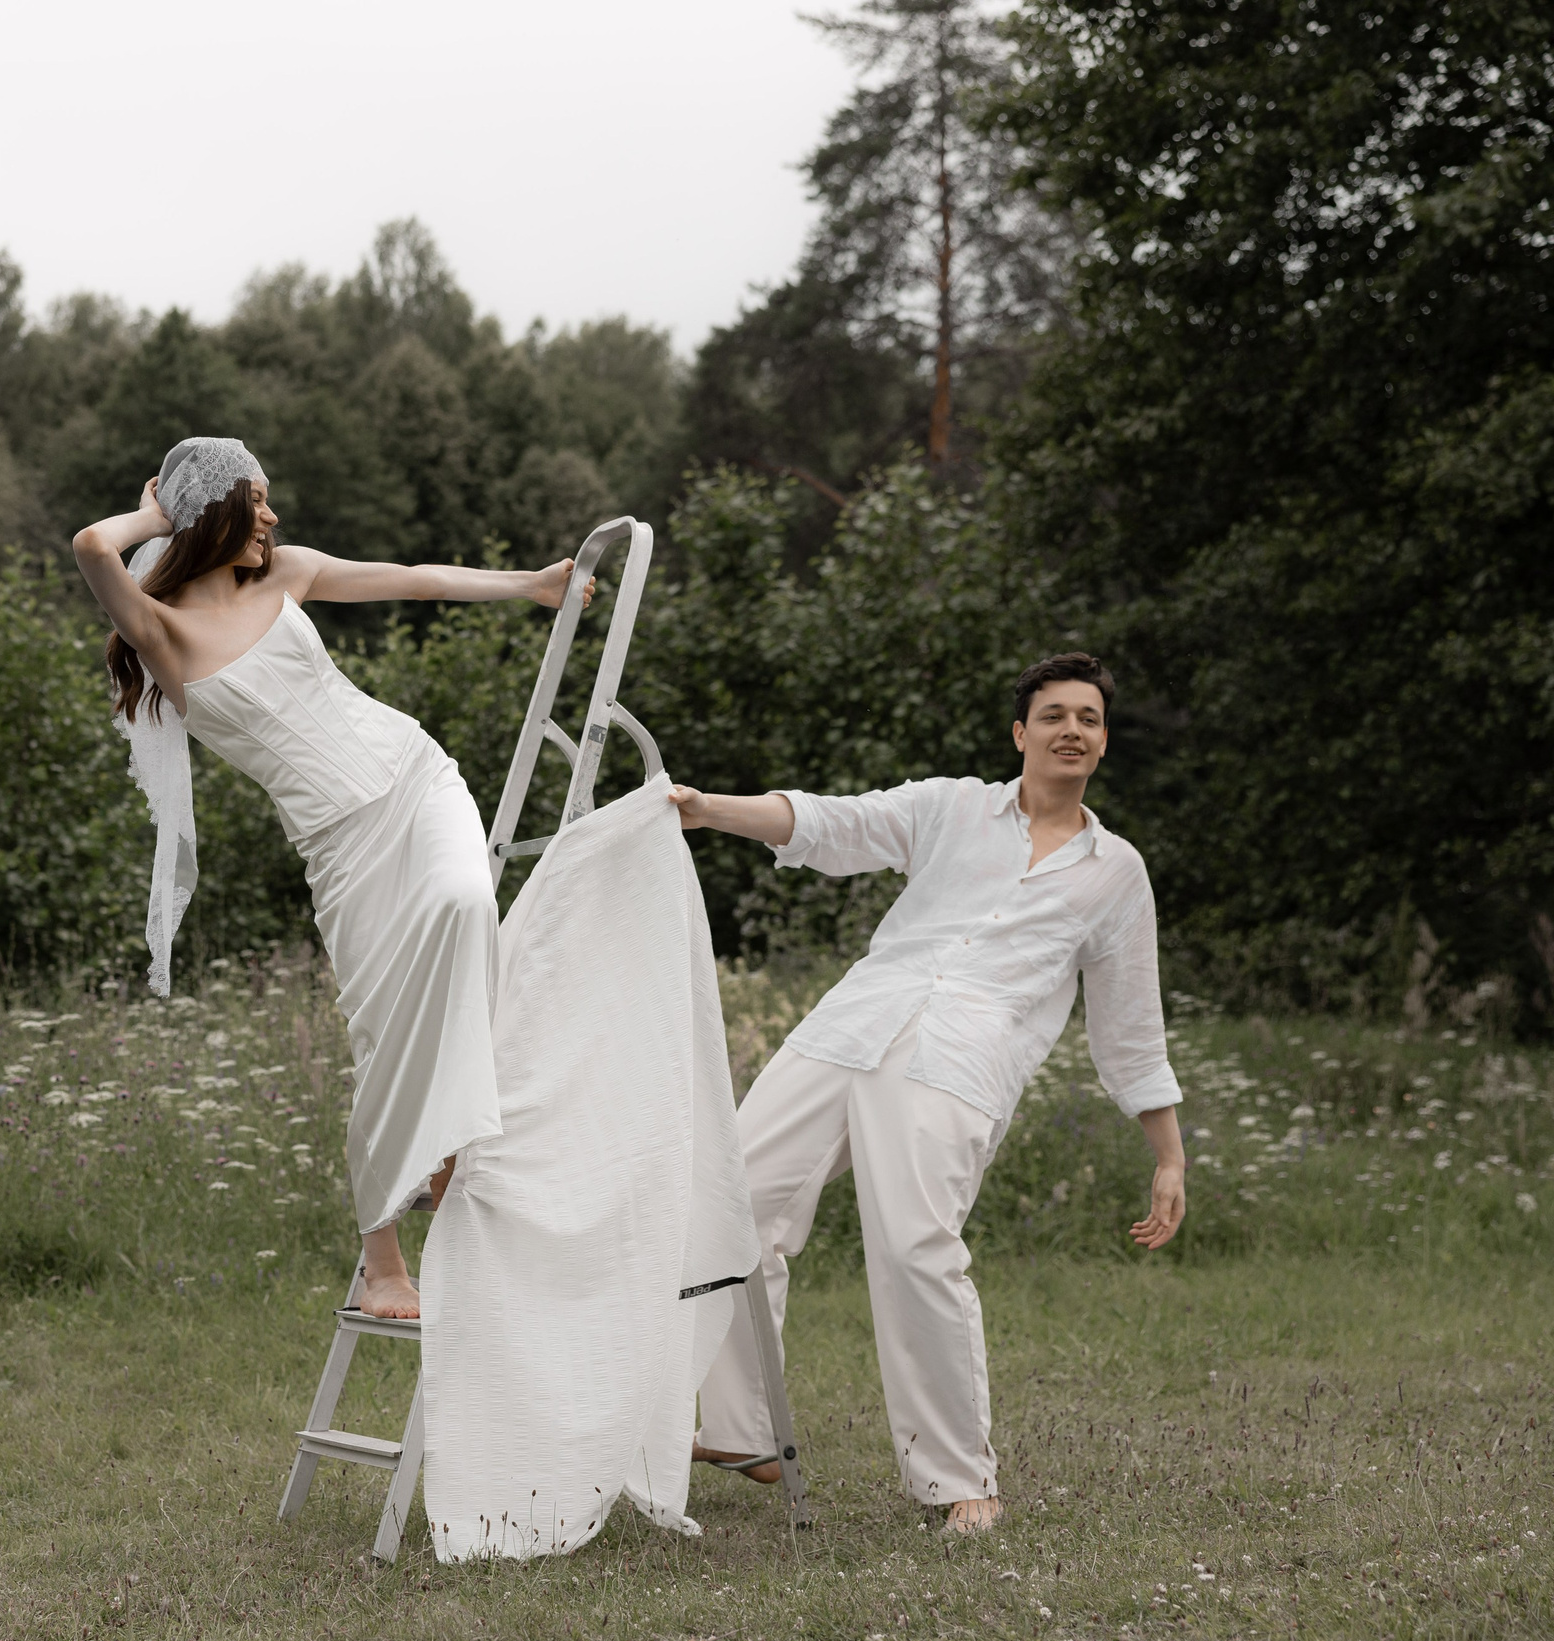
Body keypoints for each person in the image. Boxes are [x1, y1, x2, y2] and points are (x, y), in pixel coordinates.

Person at [72, 437, 587, 1319]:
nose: (273, 517)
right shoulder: (162, 632)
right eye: (257, 500)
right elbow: (91, 545)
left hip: (416, 780)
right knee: (378, 1033)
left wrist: (532, 586)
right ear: (213, 511)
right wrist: (161, 511)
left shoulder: (289, 574)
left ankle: (451, 1142)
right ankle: (382, 1264)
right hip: (338, 844)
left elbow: (414, 574)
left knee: (467, 906)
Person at [671, 653, 1186, 1534]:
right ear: (1020, 733)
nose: (1072, 730)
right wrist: (702, 809)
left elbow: (1130, 1025)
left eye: (1090, 719)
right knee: (725, 1200)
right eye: (1055, 714)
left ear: (1101, 741)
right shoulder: (951, 807)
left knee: (914, 1246)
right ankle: (743, 1428)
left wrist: (1168, 1153)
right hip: (851, 1027)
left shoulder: (1116, 872)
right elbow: (830, 825)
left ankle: (959, 1482)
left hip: (958, 1059)